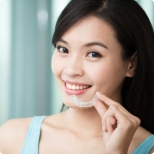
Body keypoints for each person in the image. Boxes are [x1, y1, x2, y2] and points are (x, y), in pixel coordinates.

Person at [0, 0, 154, 153]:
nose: (71, 69)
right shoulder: (11, 138)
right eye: (63, 49)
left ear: (132, 64)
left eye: (93, 54)